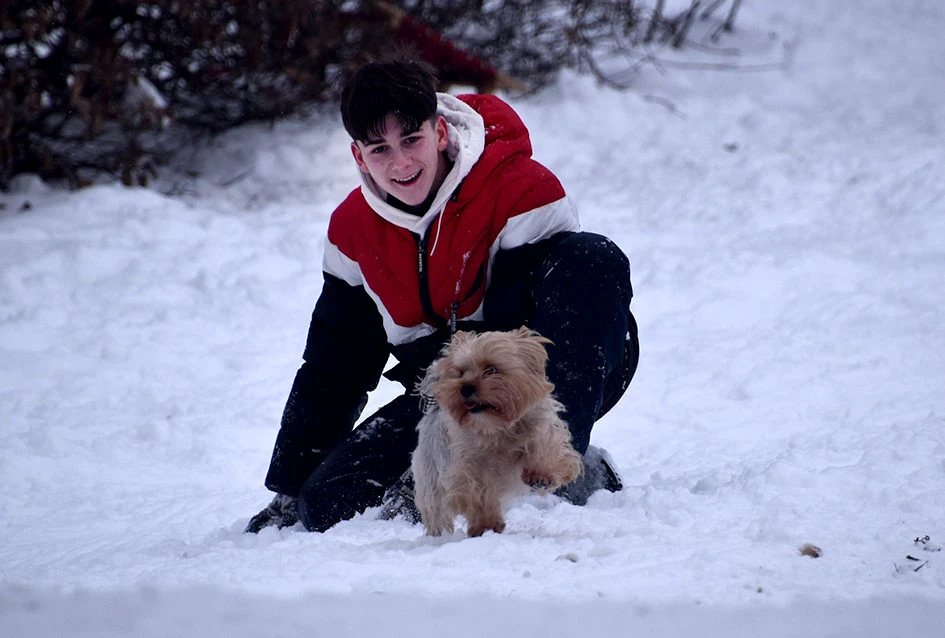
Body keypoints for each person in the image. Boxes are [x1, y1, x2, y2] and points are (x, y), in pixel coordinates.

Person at [245, 57, 639, 534]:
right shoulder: (352, 233)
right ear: (358, 156)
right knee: (326, 505)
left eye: (411, 140)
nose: (401, 163)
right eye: (379, 148)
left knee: (590, 256)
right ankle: (478, 477)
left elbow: (558, 312)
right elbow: (333, 369)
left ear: (440, 132)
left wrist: (545, 436)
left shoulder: (518, 187)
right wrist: (290, 488)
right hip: (449, 393)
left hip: (551, 375)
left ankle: (561, 465)